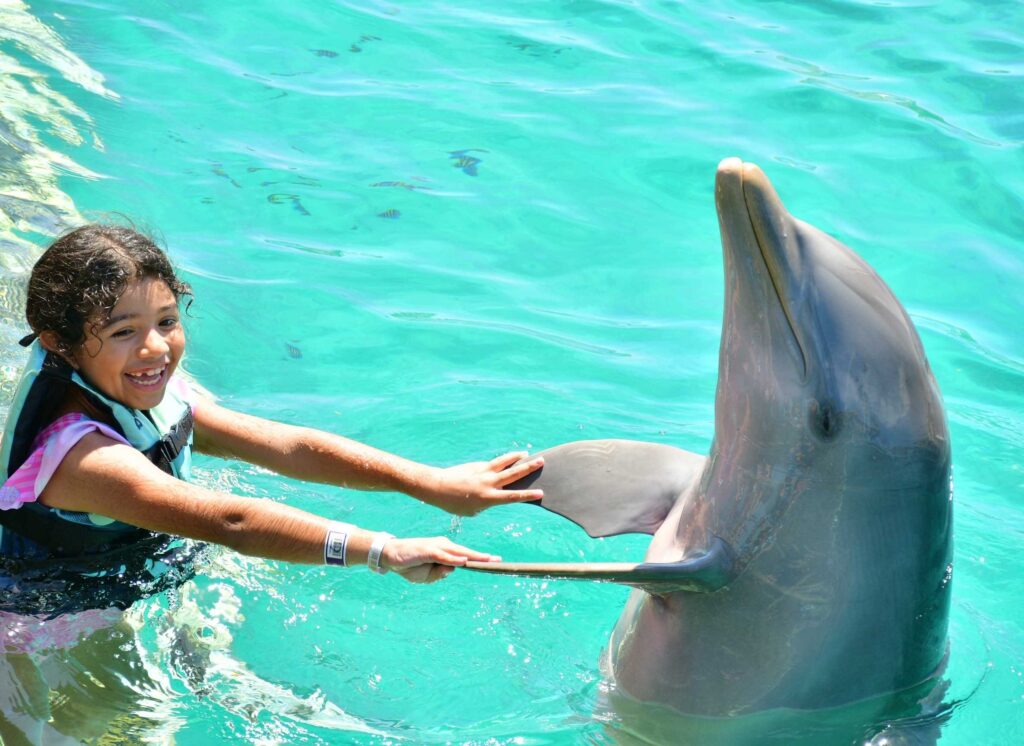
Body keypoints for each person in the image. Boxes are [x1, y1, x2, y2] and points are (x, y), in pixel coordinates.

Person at [0, 224, 544, 595]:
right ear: (59, 342)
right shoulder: (82, 459)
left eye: (166, 321)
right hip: (44, 624)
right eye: (124, 332)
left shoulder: (138, 388)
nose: (156, 349)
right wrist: (382, 550)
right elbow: (232, 521)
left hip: (126, 574)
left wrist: (430, 482)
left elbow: (284, 446)